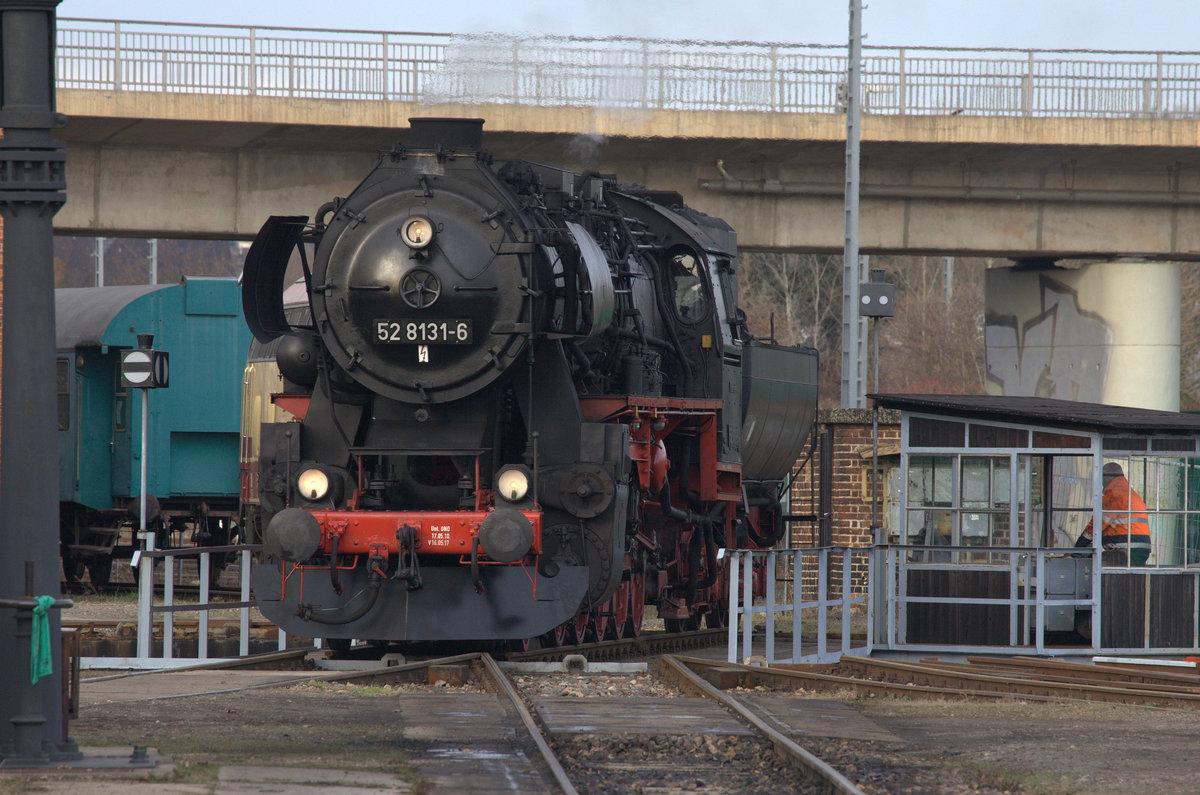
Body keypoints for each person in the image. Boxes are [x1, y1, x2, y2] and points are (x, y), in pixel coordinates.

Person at [1075, 462, 1152, 565]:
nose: (1101, 482)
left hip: (1125, 550)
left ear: (1107, 477)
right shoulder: (1127, 492)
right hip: (1138, 550)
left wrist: (1078, 547)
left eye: (1102, 478)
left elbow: (1097, 525)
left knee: (1096, 569)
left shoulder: (1115, 494)